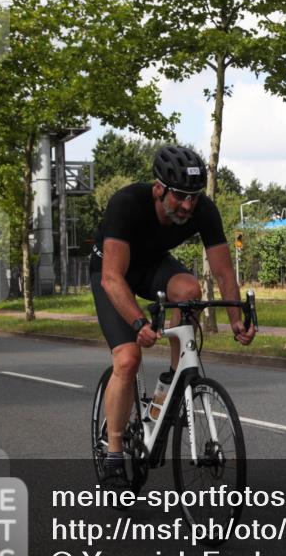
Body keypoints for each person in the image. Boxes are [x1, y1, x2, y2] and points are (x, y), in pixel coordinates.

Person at [90, 145, 255, 488]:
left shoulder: (203, 210)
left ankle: (172, 379)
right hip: (111, 271)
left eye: (193, 197)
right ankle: (115, 450)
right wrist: (138, 322)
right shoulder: (127, 203)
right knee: (127, 358)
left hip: (151, 266)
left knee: (189, 290)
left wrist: (236, 318)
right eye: (179, 196)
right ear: (158, 189)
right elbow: (111, 278)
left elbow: (224, 273)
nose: (187, 205)